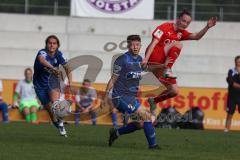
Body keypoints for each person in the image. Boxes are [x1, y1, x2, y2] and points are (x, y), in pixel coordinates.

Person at [142, 9, 217, 110]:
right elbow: (154, 43)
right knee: (178, 44)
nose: (185, 24)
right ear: (178, 19)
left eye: (187, 23)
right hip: (153, 59)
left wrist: (207, 27)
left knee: (174, 91)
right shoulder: (164, 27)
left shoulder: (181, 33)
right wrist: (145, 59)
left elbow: (196, 37)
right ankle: (166, 71)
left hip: (163, 65)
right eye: (183, 21)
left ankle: (153, 101)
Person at [105, 35, 165, 149]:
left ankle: (116, 133)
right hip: (120, 97)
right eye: (132, 45)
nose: (135, 47)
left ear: (140, 46)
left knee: (140, 124)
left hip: (131, 98)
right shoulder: (122, 59)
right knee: (147, 117)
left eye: (137, 45)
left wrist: (162, 66)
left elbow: (147, 68)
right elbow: (113, 79)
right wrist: (106, 96)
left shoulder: (139, 60)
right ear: (128, 46)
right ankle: (153, 146)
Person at [33, 35, 71, 137]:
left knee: (55, 103)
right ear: (46, 44)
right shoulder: (42, 52)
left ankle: (61, 121)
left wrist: (70, 83)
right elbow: (41, 60)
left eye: (54, 43)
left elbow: (68, 68)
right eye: (50, 43)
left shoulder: (59, 54)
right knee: (49, 109)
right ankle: (57, 124)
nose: (52, 45)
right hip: (39, 85)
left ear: (57, 45)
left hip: (52, 82)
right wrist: (53, 68)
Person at [224, 56, 240, 132]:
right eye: (237, 61)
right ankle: (226, 129)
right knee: (230, 113)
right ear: (235, 62)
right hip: (232, 96)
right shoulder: (231, 71)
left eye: (239, 62)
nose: (238, 63)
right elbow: (230, 81)